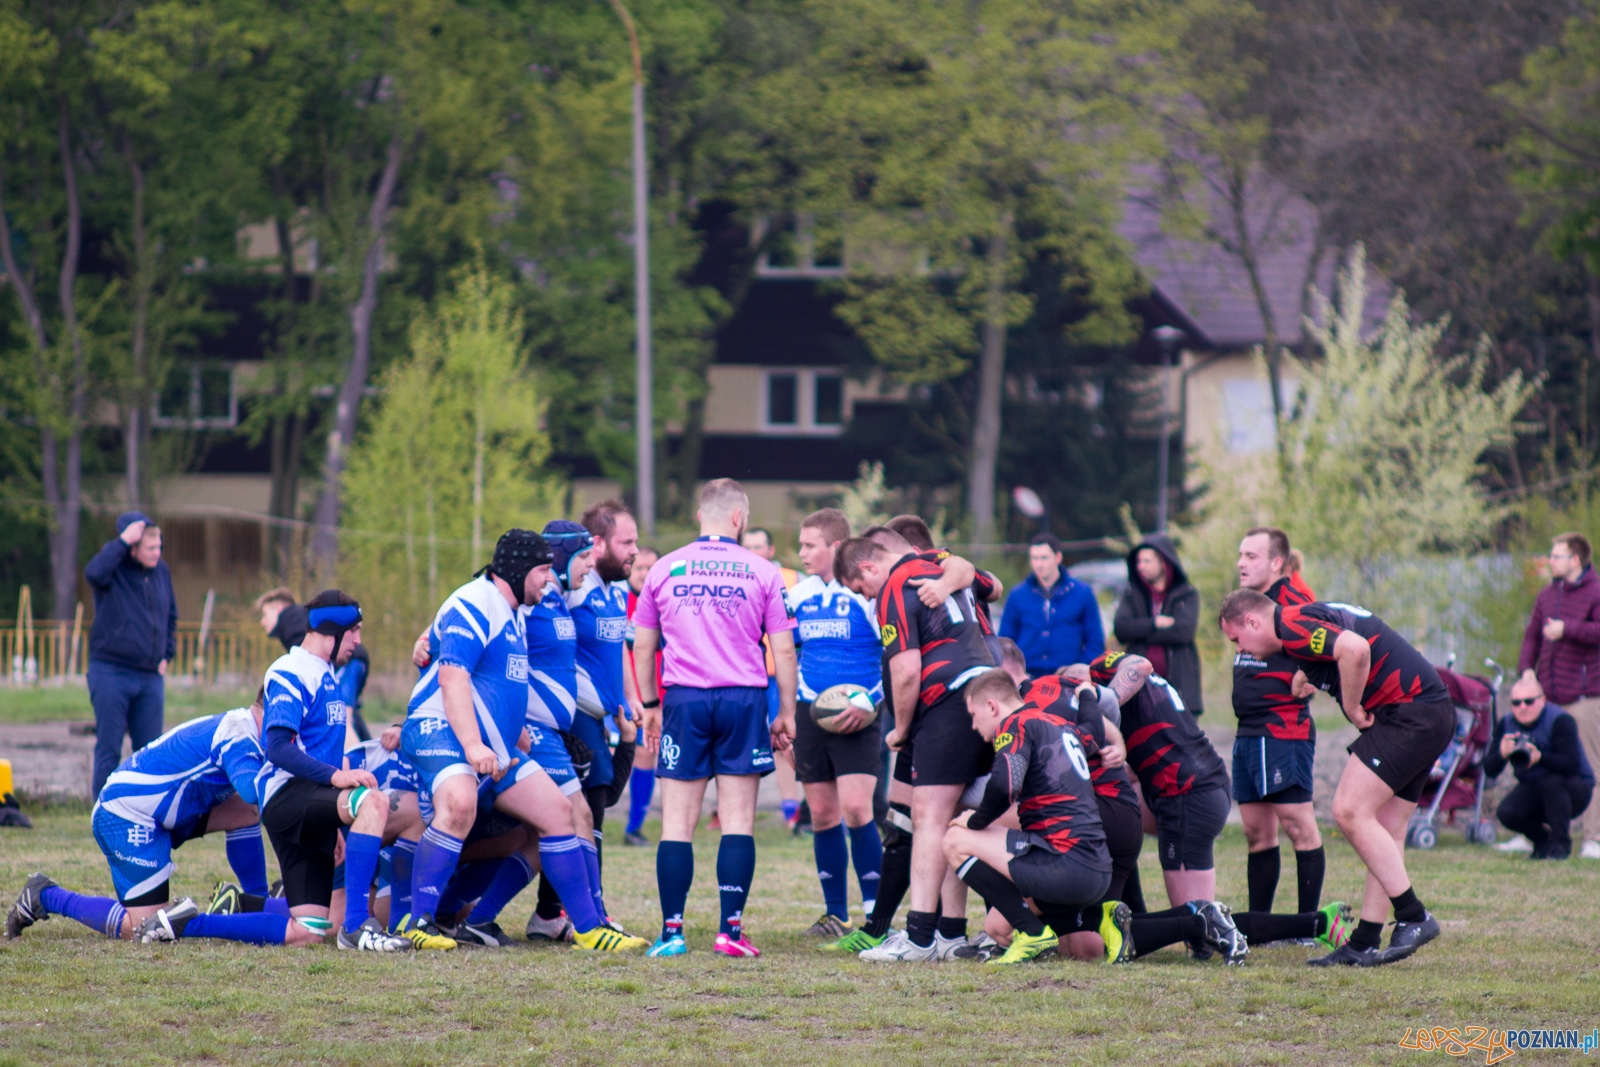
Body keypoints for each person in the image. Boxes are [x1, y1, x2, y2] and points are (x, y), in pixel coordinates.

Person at [401, 529, 646, 954]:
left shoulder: (513, 609)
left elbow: (495, 681)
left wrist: (510, 734)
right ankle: (418, 923)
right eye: (543, 570)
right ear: (517, 570)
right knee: (459, 804)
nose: (550, 580)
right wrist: (476, 746)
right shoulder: (474, 603)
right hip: (437, 727)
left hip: (493, 742)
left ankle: (588, 928)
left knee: (559, 813)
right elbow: (453, 677)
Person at [1219, 591, 1455, 966]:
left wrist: (1351, 704)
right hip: (1432, 710)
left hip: (1408, 712)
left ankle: (1413, 915)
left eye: (1236, 639)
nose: (1240, 648)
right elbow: (1340, 631)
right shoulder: (1300, 622)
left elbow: (1355, 648)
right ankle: (1364, 941)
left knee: (1348, 811)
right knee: (1386, 827)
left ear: (1253, 621)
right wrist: (1305, 671)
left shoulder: (1291, 625)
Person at [5, 693, 320, 948]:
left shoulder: (247, 728)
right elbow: (256, 792)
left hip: (169, 811)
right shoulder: (240, 735)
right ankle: (46, 895)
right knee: (142, 928)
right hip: (127, 814)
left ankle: (253, 903)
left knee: (245, 814)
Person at [632, 479, 798, 958]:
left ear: (699, 517)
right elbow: (783, 649)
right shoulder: (763, 570)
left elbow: (644, 645)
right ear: (739, 519)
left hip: (684, 699)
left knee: (677, 823)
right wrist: (785, 711)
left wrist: (649, 705)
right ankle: (729, 931)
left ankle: (672, 932)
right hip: (743, 699)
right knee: (738, 820)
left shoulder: (664, 568)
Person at [835, 532, 996, 962]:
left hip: (948, 700)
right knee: (958, 816)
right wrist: (950, 577)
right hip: (987, 694)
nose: (866, 598)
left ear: (869, 568)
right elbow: (993, 584)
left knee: (928, 818)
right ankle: (949, 933)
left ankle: (920, 937)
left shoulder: (894, 584)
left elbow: (906, 671)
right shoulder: (941, 564)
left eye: (860, 589)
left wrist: (901, 728)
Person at [255, 591, 410, 951]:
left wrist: (333, 815)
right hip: (287, 796)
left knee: (308, 932)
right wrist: (336, 780)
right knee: (374, 802)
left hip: (311, 800)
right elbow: (277, 748)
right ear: (331, 631)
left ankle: (196, 922)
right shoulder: (291, 670)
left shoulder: (326, 674)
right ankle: (357, 928)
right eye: (353, 630)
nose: (358, 640)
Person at [947, 668, 1112, 966]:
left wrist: (974, 821)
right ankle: (1098, 919)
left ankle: (1033, 934)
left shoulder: (1015, 723)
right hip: (1096, 867)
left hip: (1065, 865)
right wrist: (1087, 694)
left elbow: (1004, 785)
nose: (973, 725)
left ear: (992, 707)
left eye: (973, 714)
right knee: (997, 926)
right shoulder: (1060, 725)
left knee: (955, 839)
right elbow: (1094, 732)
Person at [787, 508, 885, 939]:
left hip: (858, 715)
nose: (803, 552)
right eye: (802, 544)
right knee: (823, 815)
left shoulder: (867, 596)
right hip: (811, 714)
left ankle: (875, 914)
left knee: (857, 809)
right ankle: (836, 914)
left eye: (810, 545)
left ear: (836, 547)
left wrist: (870, 702)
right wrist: (785, 715)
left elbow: (894, 657)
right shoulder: (797, 594)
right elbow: (783, 653)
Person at [1232, 528, 1326, 920]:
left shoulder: (1296, 603)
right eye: (1240, 555)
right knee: (1256, 832)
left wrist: (1308, 678)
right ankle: (1259, 924)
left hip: (1283, 731)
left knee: (1298, 826)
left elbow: (1335, 649)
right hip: (1248, 731)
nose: (1240, 563)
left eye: (1251, 556)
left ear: (1275, 563)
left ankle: (1308, 925)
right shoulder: (1247, 603)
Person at [1518, 532, 1600, 860]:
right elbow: (1530, 638)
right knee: (1538, 765)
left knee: (1590, 767)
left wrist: (1567, 629)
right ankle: (1535, 833)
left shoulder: (1596, 592)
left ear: (1575, 560)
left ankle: (1593, 838)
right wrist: (1526, 670)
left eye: (1556, 556)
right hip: (1548, 700)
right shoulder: (1547, 595)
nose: (1549, 561)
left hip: (1585, 697)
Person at [85, 512, 177, 796]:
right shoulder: (113, 568)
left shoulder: (161, 572)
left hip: (150, 676)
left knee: (150, 750)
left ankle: (145, 809)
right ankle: (103, 811)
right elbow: (93, 573)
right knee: (109, 746)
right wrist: (122, 542)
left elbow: (170, 615)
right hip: (111, 670)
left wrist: (166, 654)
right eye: (150, 548)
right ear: (132, 547)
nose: (156, 553)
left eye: (159, 546)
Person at [1485, 676, 1595, 860]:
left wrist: (1540, 757)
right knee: (1507, 812)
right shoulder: (1506, 724)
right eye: (1516, 703)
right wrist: (1501, 754)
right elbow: (1489, 770)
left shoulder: (1560, 720)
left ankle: (1561, 845)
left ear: (1542, 700)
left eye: (1529, 701)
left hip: (1575, 789)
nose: (1523, 707)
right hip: (1535, 787)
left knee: (1551, 782)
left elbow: (1572, 764)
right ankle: (1543, 841)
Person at [744, 525, 804, 829]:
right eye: (748, 546)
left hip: (782, 676)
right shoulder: (736, 578)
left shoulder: (794, 580)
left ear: (770, 551)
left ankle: (792, 810)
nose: (753, 552)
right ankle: (734, 812)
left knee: (784, 741)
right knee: (744, 743)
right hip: (749, 678)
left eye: (758, 547)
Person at [1114, 534, 1203, 715]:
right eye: (1138, 562)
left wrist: (1140, 632)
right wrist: (1154, 623)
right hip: (1140, 689)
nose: (1141, 567)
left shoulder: (1186, 594)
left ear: (1163, 562)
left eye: (1146, 561)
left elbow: (1183, 632)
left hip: (1179, 686)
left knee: (1181, 740)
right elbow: (1121, 629)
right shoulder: (1132, 595)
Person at [999, 532, 1105, 677]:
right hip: (1028, 677)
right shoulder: (1017, 595)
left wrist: (1078, 671)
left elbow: (1095, 642)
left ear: (1058, 557)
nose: (1039, 564)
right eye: (1034, 558)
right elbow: (1005, 642)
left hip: (1068, 678)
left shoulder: (1082, 593)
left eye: (1044, 558)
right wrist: (1016, 674)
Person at [622, 545, 660, 847]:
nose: (645, 575)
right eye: (639, 568)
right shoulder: (616, 600)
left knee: (648, 754)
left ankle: (635, 826)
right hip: (622, 694)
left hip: (660, 692)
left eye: (651, 568)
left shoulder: (667, 598)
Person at [256, 588, 308, 652]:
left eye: (265, 614)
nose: (262, 622)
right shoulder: (298, 620)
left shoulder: (295, 628)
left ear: (279, 608)